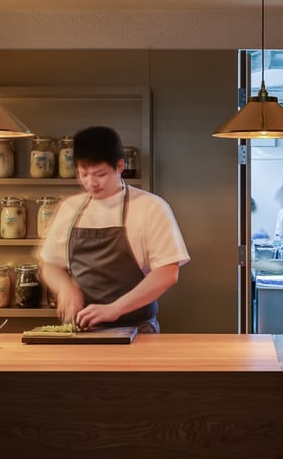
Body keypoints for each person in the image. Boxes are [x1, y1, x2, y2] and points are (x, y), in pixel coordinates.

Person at [37, 126, 190, 333]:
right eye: (83, 174)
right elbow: (51, 265)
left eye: (100, 174)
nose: (91, 183)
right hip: (80, 330)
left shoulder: (151, 207)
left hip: (137, 330)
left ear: (120, 166)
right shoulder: (70, 209)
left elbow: (167, 273)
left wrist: (115, 308)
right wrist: (65, 287)